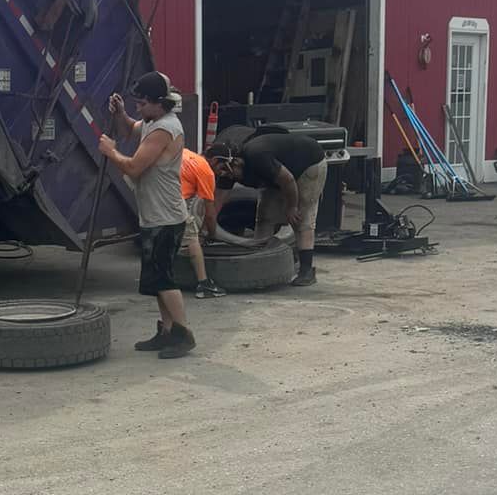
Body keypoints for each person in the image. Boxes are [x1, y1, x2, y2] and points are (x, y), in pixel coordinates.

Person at [99, 72, 195, 358]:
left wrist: (111, 152)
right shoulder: (153, 122)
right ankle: (166, 331)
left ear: (158, 102)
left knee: (163, 279)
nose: (138, 108)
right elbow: (130, 129)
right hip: (155, 215)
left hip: (166, 217)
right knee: (156, 280)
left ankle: (182, 334)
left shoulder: (165, 129)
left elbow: (133, 168)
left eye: (141, 104)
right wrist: (121, 114)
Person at [207, 126, 328, 286]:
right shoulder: (226, 172)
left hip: (308, 164)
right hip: (276, 176)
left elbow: (288, 180)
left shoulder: (257, 156)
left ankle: (307, 271)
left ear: (234, 162)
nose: (222, 175)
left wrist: (291, 207)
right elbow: (216, 204)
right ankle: (260, 259)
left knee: (301, 218)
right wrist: (206, 229)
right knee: (264, 216)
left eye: (222, 170)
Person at [179, 147, 224, 298]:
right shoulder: (206, 171)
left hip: (153, 197)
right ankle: (204, 284)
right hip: (173, 201)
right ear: (214, 160)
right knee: (192, 238)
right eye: (221, 167)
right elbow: (210, 214)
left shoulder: (186, 153)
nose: (222, 173)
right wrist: (211, 234)